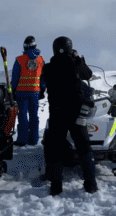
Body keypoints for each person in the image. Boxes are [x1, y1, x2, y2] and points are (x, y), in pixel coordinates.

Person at [40, 36, 97, 195]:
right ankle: (90, 183)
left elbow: (41, 89)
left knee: (54, 149)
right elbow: (88, 75)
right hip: (76, 113)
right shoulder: (75, 63)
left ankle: (56, 186)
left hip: (57, 113)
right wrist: (78, 59)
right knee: (84, 148)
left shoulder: (48, 68)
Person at [11, 36, 46, 146]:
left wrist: (13, 90)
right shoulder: (41, 60)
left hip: (21, 92)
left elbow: (15, 77)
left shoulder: (19, 60)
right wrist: (42, 89)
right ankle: (34, 140)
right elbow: (43, 77)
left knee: (22, 116)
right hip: (35, 92)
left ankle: (22, 140)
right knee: (34, 116)